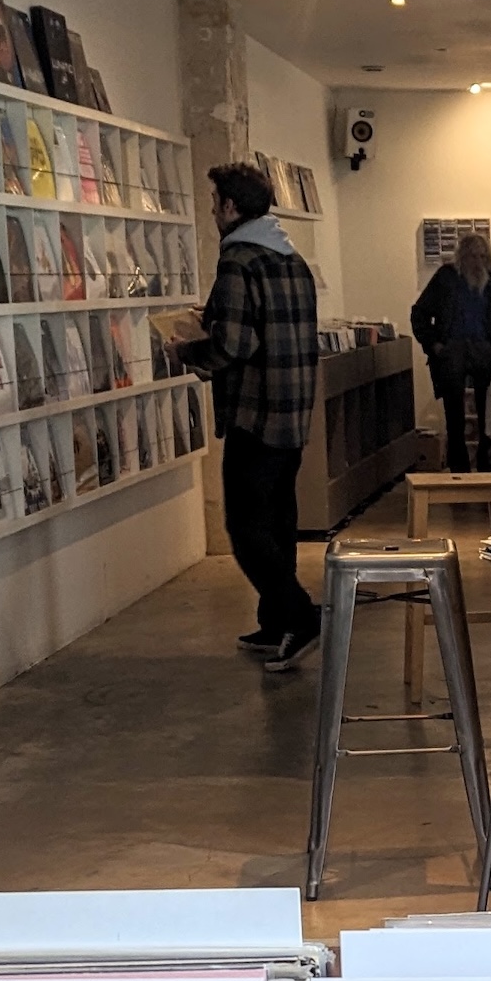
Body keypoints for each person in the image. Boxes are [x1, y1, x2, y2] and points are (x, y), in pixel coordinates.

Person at [176, 162, 321, 671]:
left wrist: (188, 350)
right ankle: (274, 622)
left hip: (254, 413)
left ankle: (298, 616)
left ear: (231, 207)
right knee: (278, 518)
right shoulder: (291, 258)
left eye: (215, 201)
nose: (212, 210)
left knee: (245, 526)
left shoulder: (238, 259)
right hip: (293, 411)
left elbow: (236, 343)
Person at [410, 233, 491, 472]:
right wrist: (434, 345)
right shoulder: (446, 277)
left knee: (488, 417)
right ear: (462, 256)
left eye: (483, 256)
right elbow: (419, 313)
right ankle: (458, 471)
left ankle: (486, 468)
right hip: (452, 350)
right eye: (473, 256)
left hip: (483, 349)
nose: (478, 262)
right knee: (454, 417)